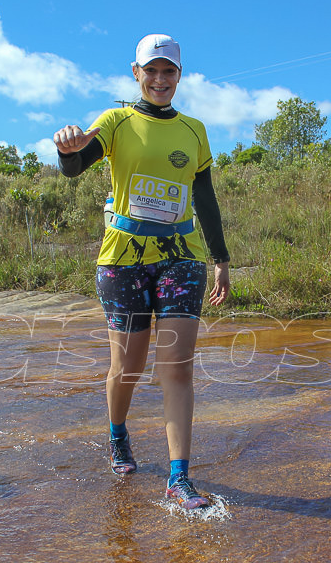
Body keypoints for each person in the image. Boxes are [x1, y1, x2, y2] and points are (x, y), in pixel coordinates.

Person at [54, 33, 231, 509]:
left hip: (181, 259)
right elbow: (75, 167)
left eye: (168, 71)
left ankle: (179, 478)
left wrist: (221, 260)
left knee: (175, 369)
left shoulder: (194, 130)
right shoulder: (116, 121)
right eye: (150, 71)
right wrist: (68, 149)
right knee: (127, 368)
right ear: (136, 74)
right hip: (124, 263)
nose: (159, 79)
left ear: (179, 75)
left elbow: (206, 199)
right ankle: (117, 434)